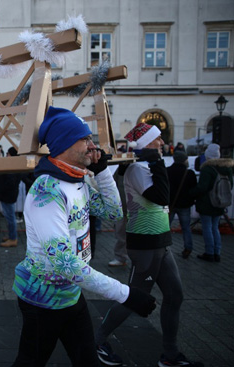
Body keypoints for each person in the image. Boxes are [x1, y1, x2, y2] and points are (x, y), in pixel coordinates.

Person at [10, 107, 156, 366]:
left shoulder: (77, 181)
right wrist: (126, 294)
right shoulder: (47, 191)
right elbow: (65, 264)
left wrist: (102, 172)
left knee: (87, 360)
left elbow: (113, 213)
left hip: (71, 293)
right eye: (85, 139)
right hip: (42, 302)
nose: (92, 146)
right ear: (65, 143)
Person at [95, 123, 202, 367]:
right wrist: (156, 162)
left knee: (175, 296)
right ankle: (97, 340)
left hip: (160, 242)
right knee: (135, 297)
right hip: (145, 244)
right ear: (147, 145)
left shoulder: (146, 166)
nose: (163, 143)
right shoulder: (138, 169)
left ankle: (170, 355)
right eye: (158, 140)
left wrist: (156, 162)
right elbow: (161, 196)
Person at [190, 143, 233, 263]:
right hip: (220, 202)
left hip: (207, 203)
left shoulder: (207, 169)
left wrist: (191, 193)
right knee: (215, 227)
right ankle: (217, 252)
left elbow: (202, 187)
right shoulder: (227, 168)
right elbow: (230, 185)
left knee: (207, 228)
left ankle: (209, 252)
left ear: (208, 156)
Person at [167, 151, 197, 259]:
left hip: (169, 204)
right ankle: (188, 248)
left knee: (165, 227)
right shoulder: (189, 173)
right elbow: (193, 189)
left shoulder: (167, 171)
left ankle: (164, 248)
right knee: (186, 228)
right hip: (185, 205)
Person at [0, 147, 22, 248]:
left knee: (10, 218)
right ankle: (11, 236)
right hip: (8, 195)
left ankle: (13, 238)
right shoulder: (15, 165)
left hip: (8, 195)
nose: (6, 156)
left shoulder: (13, 167)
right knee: (9, 218)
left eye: (8, 154)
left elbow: (10, 182)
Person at [108, 163, 130, 267]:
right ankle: (120, 257)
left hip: (134, 209)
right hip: (121, 209)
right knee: (121, 235)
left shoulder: (135, 169)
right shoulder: (118, 171)